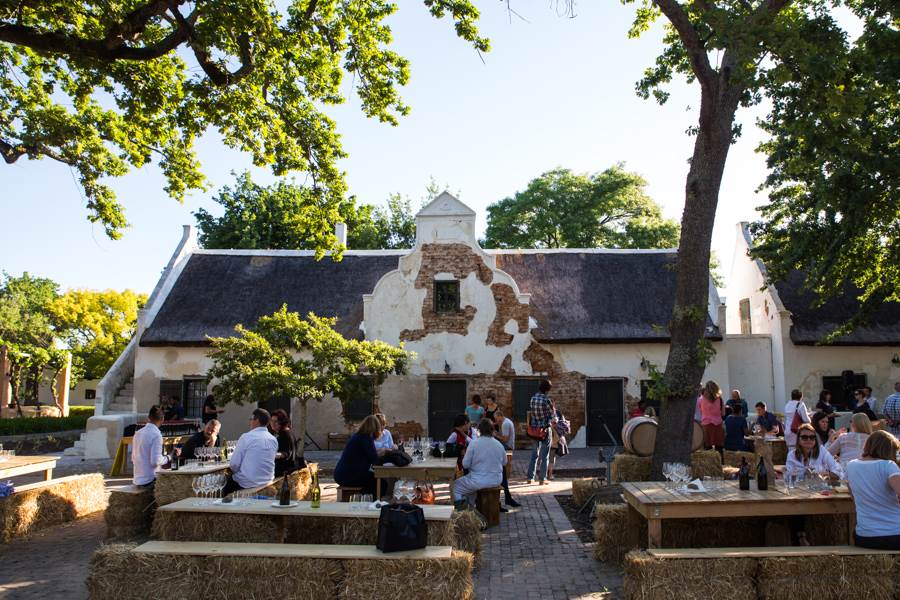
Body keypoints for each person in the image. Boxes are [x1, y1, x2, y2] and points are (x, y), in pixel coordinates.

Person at [845, 431, 900, 550]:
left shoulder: (850, 465)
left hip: (864, 536)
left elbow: (854, 498)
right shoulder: (888, 465)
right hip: (894, 534)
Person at [453, 418, 508, 510]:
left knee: (455, 487)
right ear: (492, 430)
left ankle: (463, 513)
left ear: (479, 431)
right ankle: (471, 509)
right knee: (469, 487)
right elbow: (504, 462)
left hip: (478, 480)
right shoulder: (499, 444)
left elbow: (465, 465)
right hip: (496, 479)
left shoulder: (474, 443)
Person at [223, 408, 278, 496]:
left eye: (251, 419)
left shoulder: (246, 437)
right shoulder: (273, 439)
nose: (249, 422)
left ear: (257, 420)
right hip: (267, 481)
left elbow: (234, 464)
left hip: (247, 483)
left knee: (223, 485)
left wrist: (235, 472)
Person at [334, 415, 385, 497]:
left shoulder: (359, 436)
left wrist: (378, 453)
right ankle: (372, 502)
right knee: (382, 483)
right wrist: (383, 452)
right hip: (348, 475)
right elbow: (375, 460)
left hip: (342, 474)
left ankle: (367, 498)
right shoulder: (366, 438)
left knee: (374, 480)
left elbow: (368, 454)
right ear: (375, 428)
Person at [132, 405, 173, 487]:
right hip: (149, 480)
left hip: (137, 479)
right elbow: (155, 461)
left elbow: (133, 458)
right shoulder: (156, 435)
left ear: (149, 418)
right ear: (162, 419)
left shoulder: (138, 433)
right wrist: (169, 457)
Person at [526, 379, 555, 485]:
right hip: (545, 429)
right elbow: (552, 416)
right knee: (545, 455)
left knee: (534, 454)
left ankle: (530, 477)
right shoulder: (547, 400)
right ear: (547, 390)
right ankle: (542, 478)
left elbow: (532, 413)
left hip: (534, 429)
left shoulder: (533, 398)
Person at [492, 410, 521, 508]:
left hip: (507, 446)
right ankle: (507, 498)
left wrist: (495, 435)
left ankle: (504, 500)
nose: (496, 421)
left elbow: (505, 439)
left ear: (500, 416)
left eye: (496, 419)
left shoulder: (505, 424)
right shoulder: (505, 421)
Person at [269, 409, 299, 477]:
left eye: (276, 421)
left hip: (284, 471)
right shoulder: (285, 432)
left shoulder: (285, 434)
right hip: (286, 468)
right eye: (271, 420)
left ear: (282, 422)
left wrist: (271, 455)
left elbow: (286, 453)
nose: (272, 423)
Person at [696, 380, 725, 449]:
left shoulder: (700, 399)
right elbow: (723, 413)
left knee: (707, 447)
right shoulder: (720, 399)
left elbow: (700, 411)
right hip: (718, 424)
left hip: (706, 425)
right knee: (719, 447)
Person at [548, 405, 570, 480]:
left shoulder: (545, 413)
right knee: (551, 459)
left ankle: (546, 475)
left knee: (547, 458)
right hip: (556, 440)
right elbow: (565, 425)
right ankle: (549, 475)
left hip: (549, 440)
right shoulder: (558, 413)